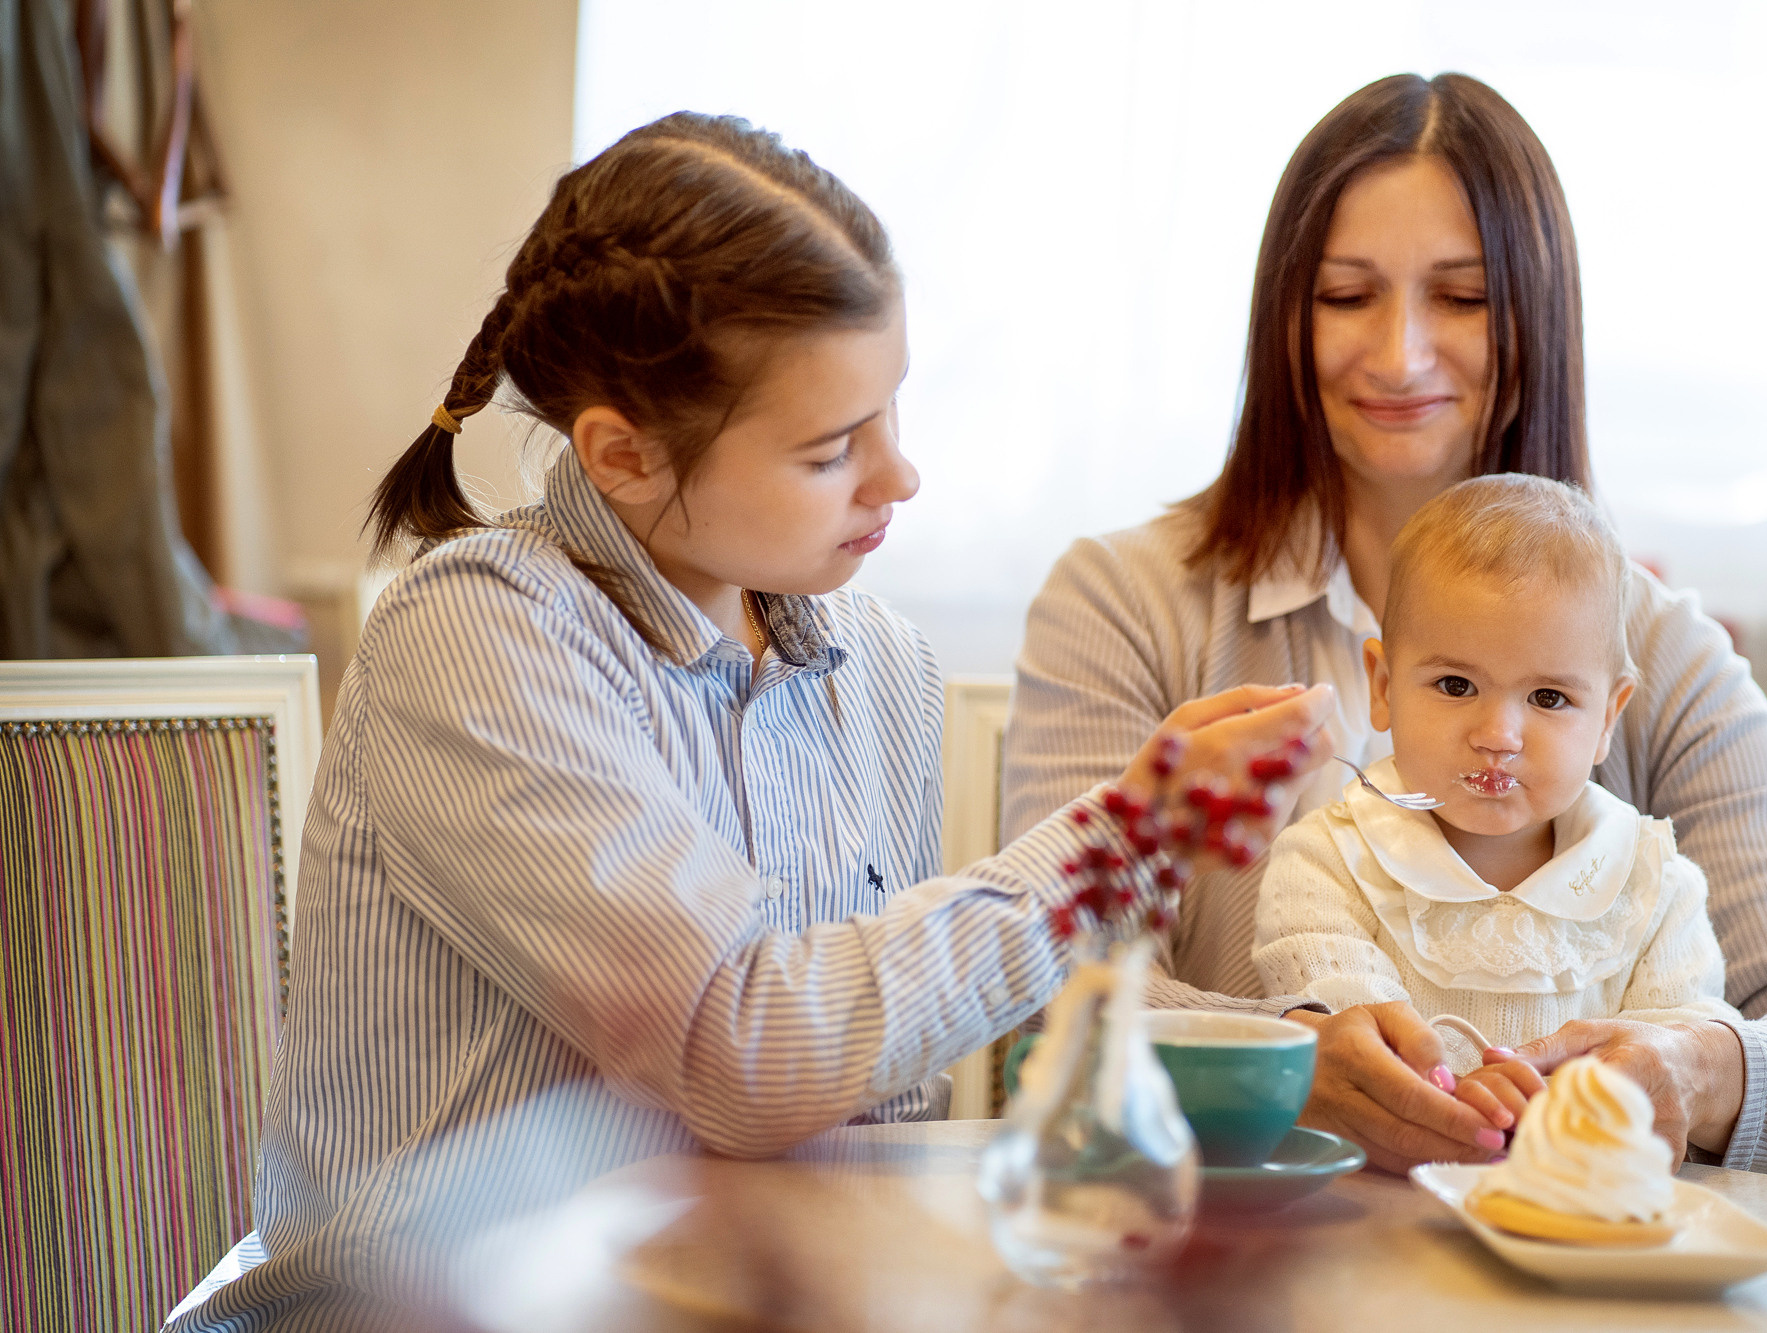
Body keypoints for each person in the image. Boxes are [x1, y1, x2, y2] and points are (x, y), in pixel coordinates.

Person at [166, 113, 1337, 1331]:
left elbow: (870, 1092)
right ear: (621, 454)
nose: (899, 476)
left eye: (891, 412)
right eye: (832, 449)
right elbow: (745, 1057)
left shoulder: (874, 664)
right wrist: (1123, 836)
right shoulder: (475, 636)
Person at [1001, 72, 1767, 1176]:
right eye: (1344, 295)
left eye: (1461, 298)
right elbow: (1045, 999)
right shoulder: (1124, 605)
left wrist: (1691, 1068)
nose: (1397, 355)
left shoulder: (1661, 650)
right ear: (1284, 314)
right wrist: (1289, 1056)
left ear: (1534, 315)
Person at [1254, 474, 1741, 1139]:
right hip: (1381, 1216)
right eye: (1456, 684)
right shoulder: (1325, 862)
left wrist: (1594, 1095)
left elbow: (1671, 1062)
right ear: (1384, 685)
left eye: (1548, 698)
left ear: (1608, 716)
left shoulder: (1655, 885)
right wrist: (1458, 1091)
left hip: (1581, 1220)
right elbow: (1368, 1059)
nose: (1499, 736)